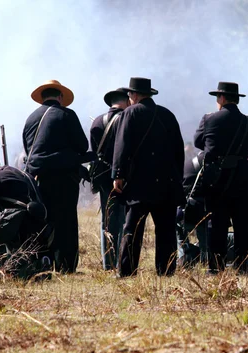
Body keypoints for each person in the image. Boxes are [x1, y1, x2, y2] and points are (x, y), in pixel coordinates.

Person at [112, 77, 184, 277]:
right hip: (167, 184)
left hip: (139, 184)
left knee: (132, 230)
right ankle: (166, 270)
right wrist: (177, 178)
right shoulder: (167, 115)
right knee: (166, 230)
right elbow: (179, 151)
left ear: (134, 95)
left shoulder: (130, 113)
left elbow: (122, 146)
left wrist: (118, 174)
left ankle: (126, 271)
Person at [22, 80, 90, 273]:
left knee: (43, 219)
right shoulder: (67, 115)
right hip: (64, 177)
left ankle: (43, 260)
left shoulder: (30, 118)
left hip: (36, 177)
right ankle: (66, 265)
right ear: (60, 97)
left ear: (43, 97)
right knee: (65, 220)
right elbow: (82, 146)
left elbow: (28, 149)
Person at [194, 82, 248, 274]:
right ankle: (244, 266)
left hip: (218, 176)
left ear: (221, 99)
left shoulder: (209, 118)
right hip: (243, 175)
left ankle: (216, 266)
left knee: (217, 223)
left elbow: (198, 142)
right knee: (243, 223)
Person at [89, 87, 129, 271]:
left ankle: (109, 263)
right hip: (125, 176)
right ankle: (123, 260)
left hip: (103, 177)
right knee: (126, 220)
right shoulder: (128, 119)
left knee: (108, 219)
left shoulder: (97, 122)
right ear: (126, 101)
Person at [177, 151, 208, 267]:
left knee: (179, 231)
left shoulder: (190, 164)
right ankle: (205, 259)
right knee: (205, 237)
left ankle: (184, 257)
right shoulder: (219, 164)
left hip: (187, 211)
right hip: (207, 212)